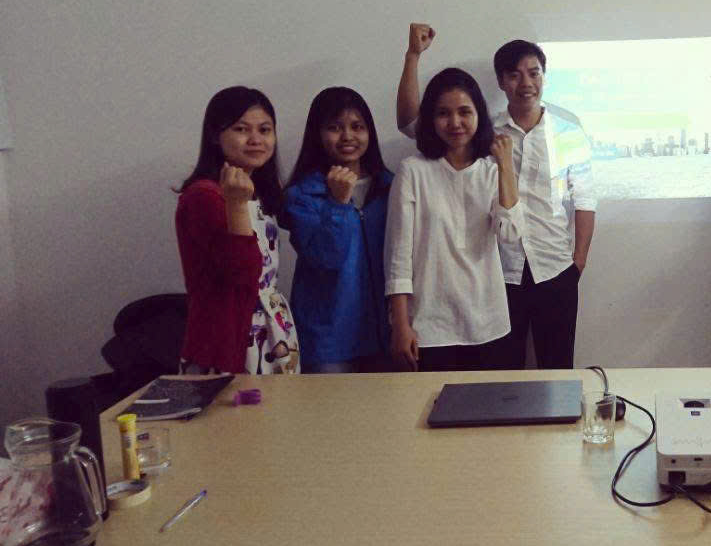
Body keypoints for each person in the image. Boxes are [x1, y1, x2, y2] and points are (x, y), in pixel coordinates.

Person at [397, 25, 596, 370]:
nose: (526, 83)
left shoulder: (569, 132)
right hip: (500, 275)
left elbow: (585, 200)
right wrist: (413, 56)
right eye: (514, 75)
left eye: (534, 72)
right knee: (504, 374)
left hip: (555, 268)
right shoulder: (483, 132)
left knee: (559, 369)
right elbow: (411, 123)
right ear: (502, 82)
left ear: (544, 76)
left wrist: (578, 261)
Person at [385, 67, 522, 372]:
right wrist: (400, 324)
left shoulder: (491, 171)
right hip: (429, 325)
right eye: (443, 113)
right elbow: (398, 255)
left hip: (487, 322)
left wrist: (505, 166)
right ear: (430, 119)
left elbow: (510, 233)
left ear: (479, 115)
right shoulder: (413, 171)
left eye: (464, 112)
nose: (455, 122)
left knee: (488, 403)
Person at [175, 87, 298, 375]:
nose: (256, 139)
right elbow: (242, 274)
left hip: (273, 331)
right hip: (228, 338)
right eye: (241, 129)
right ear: (215, 136)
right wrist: (236, 204)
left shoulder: (261, 194)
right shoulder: (204, 195)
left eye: (265, 130)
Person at [284, 87, 394, 374]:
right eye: (334, 127)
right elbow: (326, 259)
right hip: (328, 342)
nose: (347, 136)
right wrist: (337, 203)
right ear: (317, 134)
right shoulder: (302, 195)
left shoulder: (390, 187)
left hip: (385, 335)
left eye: (357, 127)